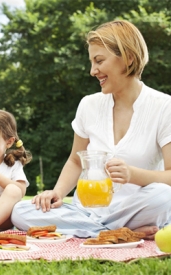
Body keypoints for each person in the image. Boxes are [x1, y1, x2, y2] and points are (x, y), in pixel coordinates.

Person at [11, 20, 171, 240]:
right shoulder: (89, 104)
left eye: (99, 61)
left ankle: (97, 229)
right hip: (85, 209)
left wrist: (132, 174)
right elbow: (76, 161)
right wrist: (56, 193)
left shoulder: (163, 107)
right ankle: (112, 233)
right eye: (92, 62)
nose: (92, 71)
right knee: (20, 212)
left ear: (128, 58)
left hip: (137, 208)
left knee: (165, 195)